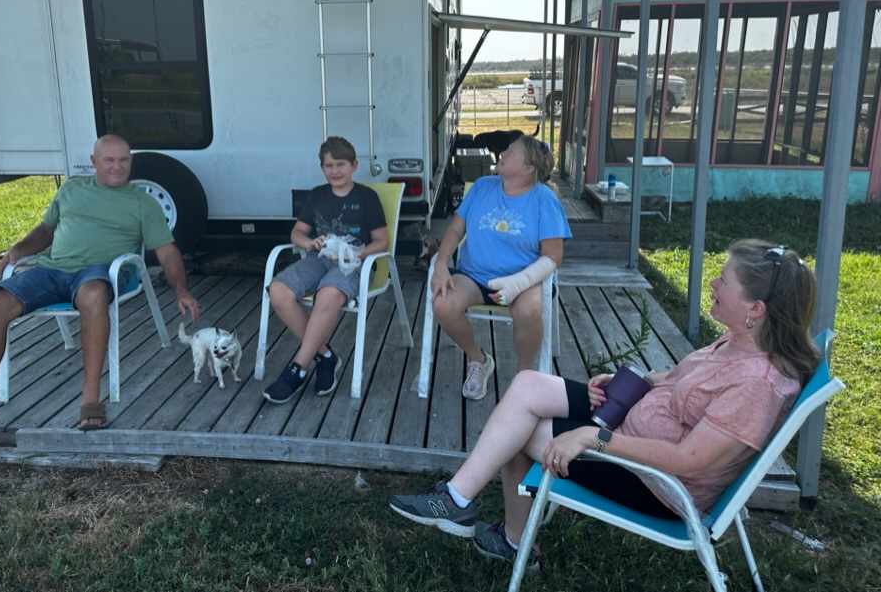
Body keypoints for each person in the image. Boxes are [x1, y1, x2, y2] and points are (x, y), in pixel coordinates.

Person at [389, 240, 818, 568]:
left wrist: (595, 438)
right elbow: (680, 379)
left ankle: (507, 534)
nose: (714, 283)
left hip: (655, 482)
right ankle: (460, 500)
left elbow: (690, 460)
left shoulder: (757, 384)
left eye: (724, 280)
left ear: (756, 309)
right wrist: (636, 381)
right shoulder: (739, 341)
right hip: (630, 423)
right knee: (528, 386)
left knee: (517, 433)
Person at [0, 135, 201, 454]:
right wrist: (20, 249)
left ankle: (90, 398)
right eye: (109, 160)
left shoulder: (141, 201)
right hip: (51, 269)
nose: (118, 167)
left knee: (93, 296)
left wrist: (181, 289)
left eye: (124, 160)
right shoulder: (71, 190)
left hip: (101, 270)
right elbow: (46, 231)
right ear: (93, 162)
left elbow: (167, 250)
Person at [431, 136, 570, 400]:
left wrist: (517, 283)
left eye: (510, 151)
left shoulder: (544, 199)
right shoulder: (483, 186)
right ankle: (478, 359)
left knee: (529, 310)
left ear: (529, 168)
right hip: (475, 276)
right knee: (443, 303)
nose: (502, 153)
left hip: (525, 280)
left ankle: (524, 376)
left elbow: (553, 256)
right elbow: (455, 229)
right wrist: (440, 264)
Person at [264, 136, 388, 403]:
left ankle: (298, 368)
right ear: (322, 168)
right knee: (278, 291)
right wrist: (310, 242)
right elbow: (296, 233)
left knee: (328, 294)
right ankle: (326, 356)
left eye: (340, 164)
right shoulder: (317, 195)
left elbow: (382, 241)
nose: (335, 171)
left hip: (353, 261)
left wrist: (358, 252)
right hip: (317, 258)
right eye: (328, 165)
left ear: (354, 166)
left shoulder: (367, 197)